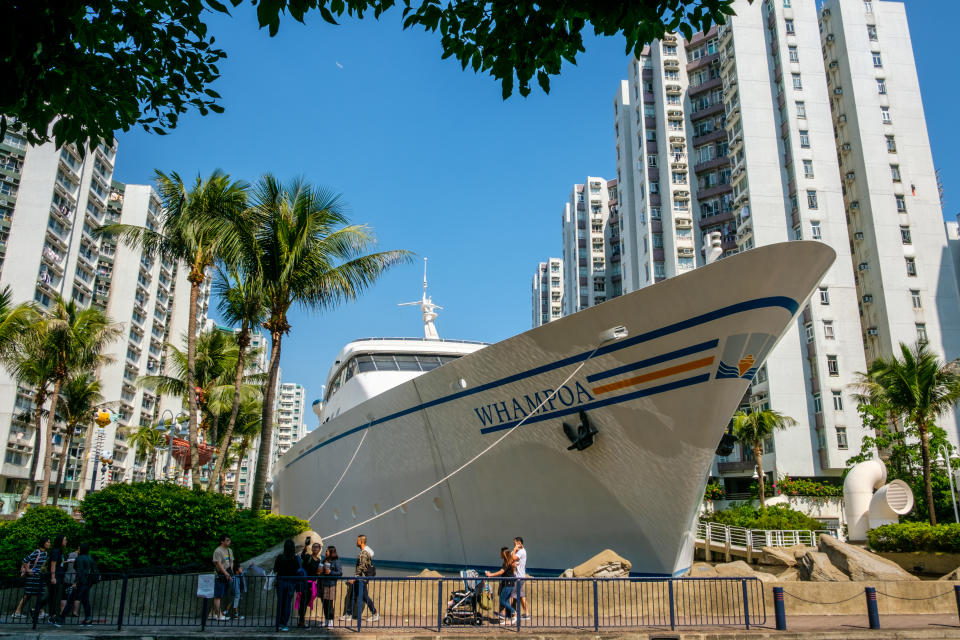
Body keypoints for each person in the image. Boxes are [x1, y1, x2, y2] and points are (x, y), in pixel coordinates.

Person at [342, 535, 377, 622]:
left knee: (364, 596)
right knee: (353, 595)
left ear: (361, 541)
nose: (356, 542)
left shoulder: (364, 553)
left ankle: (375, 614)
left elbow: (361, 566)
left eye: (357, 540)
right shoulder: (363, 552)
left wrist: (355, 577)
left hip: (361, 579)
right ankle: (349, 614)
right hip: (361, 578)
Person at [14, 537, 50, 620]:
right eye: (48, 542)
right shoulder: (37, 552)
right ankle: (18, 612)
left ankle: (38, 612)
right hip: (33, 578)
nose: (49, 544)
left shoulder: (45, 553)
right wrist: (28, 570)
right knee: (28, 595)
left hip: (39, 578)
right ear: (43, 543)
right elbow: (25, 560)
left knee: (36, 595)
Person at [61, 543, 97, 626]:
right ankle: (88, 619)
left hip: (81, 582)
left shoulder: (79, 558)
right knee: (85, 601)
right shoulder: (90, 558)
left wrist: (75, 582)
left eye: (79, 548)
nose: (78, 550)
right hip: (88, 582)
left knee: (70, 600)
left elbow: (79, 571)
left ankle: (61, 618)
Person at [273, 539, 301, 631]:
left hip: (281, 582)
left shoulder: (280, 557)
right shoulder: (296, 558)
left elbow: (275, 569)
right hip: (291, 583)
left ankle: (278, 623)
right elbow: (298, 571)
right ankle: (284, 624)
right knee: (287, 604)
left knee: (280, 602)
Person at [485, 547, 516, 624]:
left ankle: (514, 613)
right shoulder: (509, 562)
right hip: (510, 584)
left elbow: (501, 572)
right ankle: (508, 620)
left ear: (504, 554)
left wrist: (490, 574)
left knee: (502, 600)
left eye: (501, 553)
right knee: (507, 601)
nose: (500, 555)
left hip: (508, 584)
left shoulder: (506, 563)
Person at [296, 541, 321, 628]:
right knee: (303, 601)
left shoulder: (319, 561)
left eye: (317, 547)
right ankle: (301, 621)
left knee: (306, 602)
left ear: (319, 550)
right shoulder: (308, 557)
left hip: (312, 584)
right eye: (314, 547)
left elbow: (317, 573)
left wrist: (319, 573)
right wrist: (305, 548)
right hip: (305, 583)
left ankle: (301, 620)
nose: (315, 548)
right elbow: (302, 556)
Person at [47, 535, 69, 625]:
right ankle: (52, 616)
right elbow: (53, 564)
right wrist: (53, 577)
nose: (66, 541)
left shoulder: (59, 551)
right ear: (60, 541)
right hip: (56, 576)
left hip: (59, 576)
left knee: (55, 596)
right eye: (65, 540)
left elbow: (58, 563)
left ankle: (53, 615)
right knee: (54, 596)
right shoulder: (56, 551)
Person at [211, 534, 234, 621]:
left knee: (221, 594)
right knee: (218, 595)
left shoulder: (229, 550)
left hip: (227, 573)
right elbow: (218, 564)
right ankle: (219, 615)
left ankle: (212, 614)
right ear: (222, 541)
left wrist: (230, 571)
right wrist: (226, 573)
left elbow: (231, 561)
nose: (229, 542)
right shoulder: (218, 551)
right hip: (220, 575)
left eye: (229, 540)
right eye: (227, 540)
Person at [319, 546, 341, 628]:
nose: (325, 552)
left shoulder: (336, 562)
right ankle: (326, 620)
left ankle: (331, 621)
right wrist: (319, 571)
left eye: (327, 551)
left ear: (331, 552)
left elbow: (339, 573)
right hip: (322, 584)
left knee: (329, 604)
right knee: (324, 603)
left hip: (330, 585)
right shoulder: (324, 560)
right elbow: (319, 570)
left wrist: (330, 572)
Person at [511, 537, 529, 619]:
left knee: (511, 595)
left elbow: (513, 558)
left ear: (519, 543)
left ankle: (508, 613)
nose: (514, 545)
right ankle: (527, 614)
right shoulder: (518, 551)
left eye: (515, 543)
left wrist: (514, 550)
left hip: (519, 577)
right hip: (518, 576)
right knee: (521, 595)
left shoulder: (521, 552)